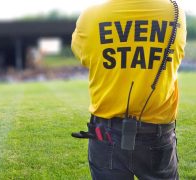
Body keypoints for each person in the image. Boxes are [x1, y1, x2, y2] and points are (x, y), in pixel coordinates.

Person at [71, 0, 186, 179]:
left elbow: (84, 56)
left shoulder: (90, 17)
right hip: (157, 132)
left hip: (106, 133)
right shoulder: (175, 11)